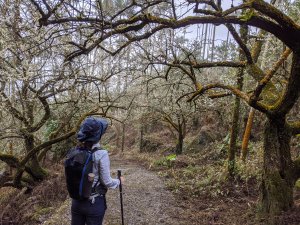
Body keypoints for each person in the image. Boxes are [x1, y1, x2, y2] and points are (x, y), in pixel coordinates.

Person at [71, 116, 123, 225]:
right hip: (93, 203)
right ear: (98, 135)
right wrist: (119, 181)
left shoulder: (75, 151)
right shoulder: (101, 153)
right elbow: (107, 182)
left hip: (76, 202)